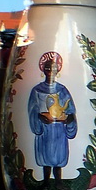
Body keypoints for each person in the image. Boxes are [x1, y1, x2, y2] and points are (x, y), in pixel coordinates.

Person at [28, 51, 77, 181]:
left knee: (58, 156)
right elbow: (32, 109)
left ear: (57, 70)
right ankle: (45, 181)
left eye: (53, 68)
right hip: (45, 128)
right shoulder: (37, 90)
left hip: (59, 128)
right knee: (45, 156)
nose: (50, 71)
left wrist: (69, 119)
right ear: (43, 70)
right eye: (47, 68)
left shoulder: (62, 90)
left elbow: (70, 108)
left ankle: (58, 181)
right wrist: (39, 118)